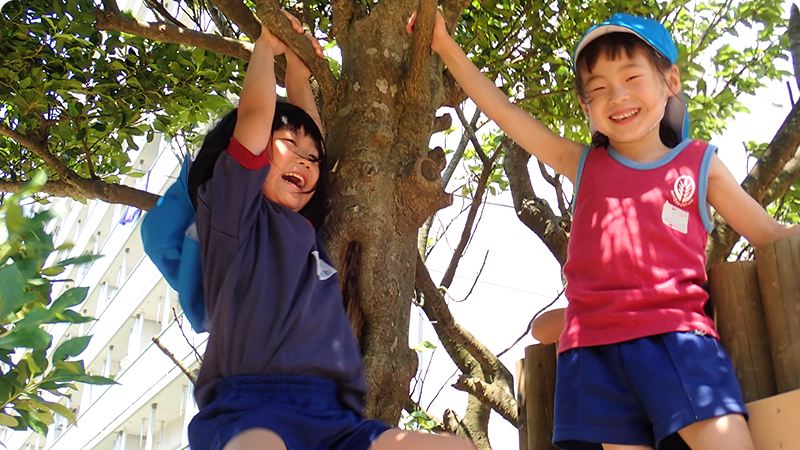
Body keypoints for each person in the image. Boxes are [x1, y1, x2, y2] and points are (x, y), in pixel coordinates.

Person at [408, 10, 800, 450]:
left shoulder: (698, 164)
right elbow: (503, 111)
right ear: (586, 107)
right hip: (594, 352)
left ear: (670, 81)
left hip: (676, 340)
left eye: (632, 78)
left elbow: (768, 233)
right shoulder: (583, 164)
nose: (617, 96)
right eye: (598, 89)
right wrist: (444, 46)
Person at [144, 12, 477, 450]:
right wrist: (266, 48)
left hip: (333, 420)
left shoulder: (305, 231)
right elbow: (257, 116)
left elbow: (312, 134)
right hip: (249, 408)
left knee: (450, 448)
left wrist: (301, 70)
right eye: (287, 146)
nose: (305, 160)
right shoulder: (234, 214)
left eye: (313, 159)